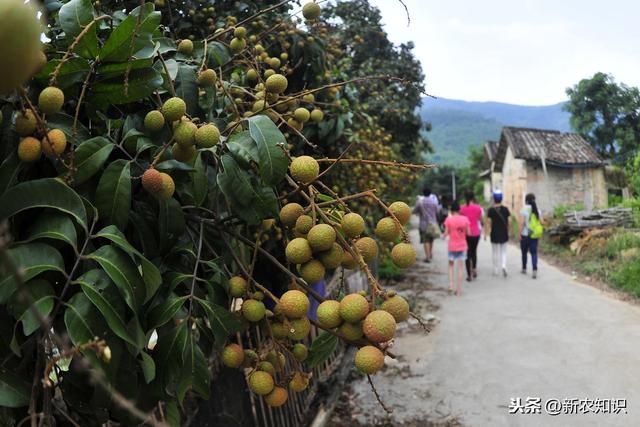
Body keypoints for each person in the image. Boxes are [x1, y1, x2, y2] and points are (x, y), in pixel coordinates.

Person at [442, 201, 470, 296]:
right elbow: (468, 233)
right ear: (459, 209)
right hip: (462, 246)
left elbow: (446, 233)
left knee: (451, 265)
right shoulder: (465, 219)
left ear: (451, 210)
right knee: (460, 267)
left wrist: (442, 236)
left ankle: (450, 285)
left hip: (452, 246)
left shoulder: (448, 220)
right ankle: (458, 290)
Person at [484, 190, 511, 277]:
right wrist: (508, 230)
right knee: (503, 252)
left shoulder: (490, 210)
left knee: (495, 252)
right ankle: (504, 266)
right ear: (501, 198)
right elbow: (509, 221)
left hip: (494, 233)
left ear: (494, 199)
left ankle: (496, 269)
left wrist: (486, 233)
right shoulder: (506, 209)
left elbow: (487, 222)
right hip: (504, 232)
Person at [460, 191, 483, 281]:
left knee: (467, 253)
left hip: (466, 233)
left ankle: (469, 275)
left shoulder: (462, 208)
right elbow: (480, 220)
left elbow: (461, 222)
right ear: (473, 197)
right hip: (476, 233)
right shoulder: (478, 208)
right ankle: (474, 269)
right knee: (474, 251)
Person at [413, 187, 441, 263]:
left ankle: (427, 257)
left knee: (426, 241)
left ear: (423, 193)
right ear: (430, 193)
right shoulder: (434, 202)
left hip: (424, 225)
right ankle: (430, 253)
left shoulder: (420, 202)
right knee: (431, 240)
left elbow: (415, 211)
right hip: (433, 223)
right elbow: (437, 211)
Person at [519, 193, 541, 279]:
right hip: (534, 235)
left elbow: (521, 223)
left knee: (524, 253)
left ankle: (524, 268)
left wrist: (519, 234)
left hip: (525, 234)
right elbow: (540, 222)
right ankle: (534, 270)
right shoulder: (538, 210)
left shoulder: (523, 209)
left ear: (526, 200)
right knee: (534, 253)